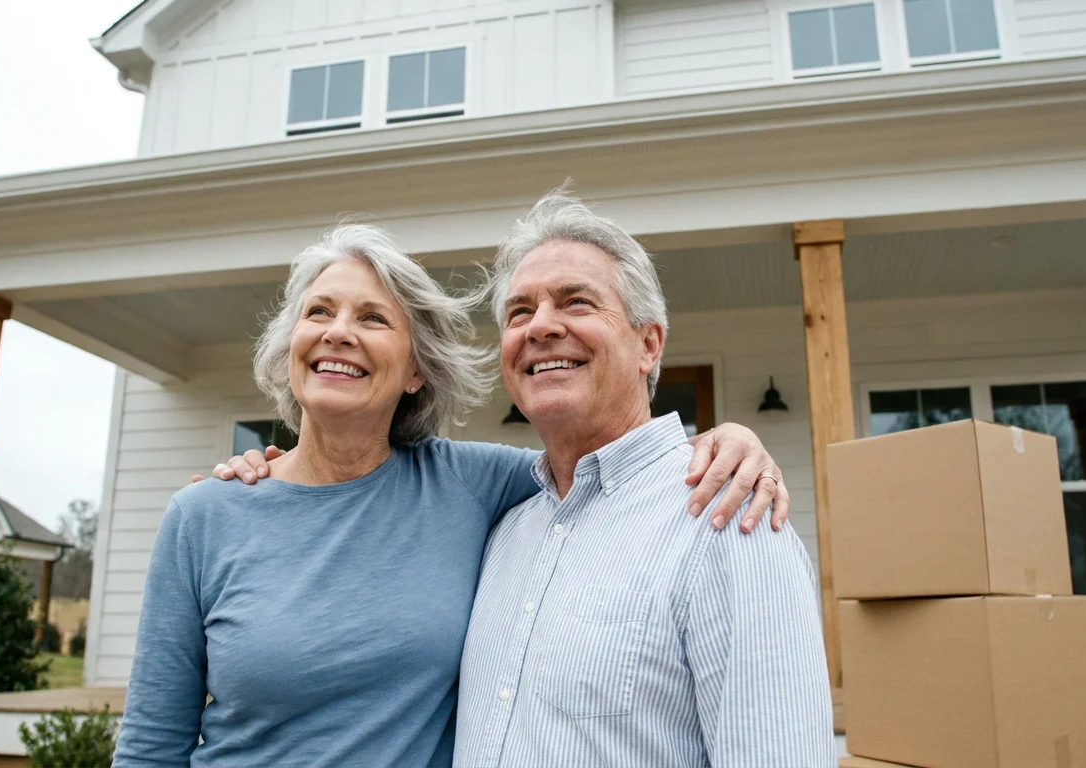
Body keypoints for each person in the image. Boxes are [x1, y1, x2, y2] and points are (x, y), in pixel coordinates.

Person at [113, 224, 790, 768]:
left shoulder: (469, 483)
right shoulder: (206, 515)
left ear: (414, 370)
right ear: (291, 345)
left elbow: (599, 463)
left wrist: (726, 440)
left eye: (373, 318)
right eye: (319, 312)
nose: (338, 331)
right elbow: (150, 745)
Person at [454, 192, 836, 766]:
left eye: (576, 302)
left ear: (649, 344)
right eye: (519, 312)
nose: (540, 327)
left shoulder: (728, 514)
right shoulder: (503, 529)